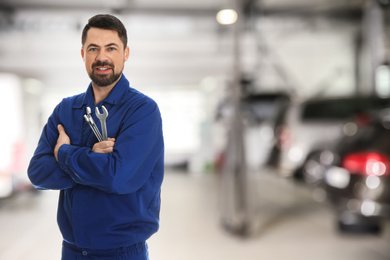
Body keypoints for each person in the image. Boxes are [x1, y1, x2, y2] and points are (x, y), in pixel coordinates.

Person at [28, 14, 164, 260]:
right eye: (93, 49)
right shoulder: (65, 109)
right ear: (83, 54)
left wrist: (66, 154)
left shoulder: (143, 110)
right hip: (71, 251)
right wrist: (92, 159)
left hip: (123, 253)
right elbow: (37, 172)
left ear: (126, 53)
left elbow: (118, 177)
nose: (102, 57)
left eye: (111, 48)